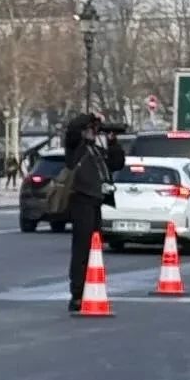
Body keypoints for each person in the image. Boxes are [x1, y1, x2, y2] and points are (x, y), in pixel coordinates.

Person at [63, 113, 125, 313]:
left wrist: (113, 142)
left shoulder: (96, 150)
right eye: (90, 129)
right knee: (82, 248)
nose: (93, 132)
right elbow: (73, 128)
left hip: (96, 202)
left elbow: (117, 163)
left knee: (94, 249)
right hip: (81, 201)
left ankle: (90, 288)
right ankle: (77, 293)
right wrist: (92, 118)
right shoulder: (76, 148)